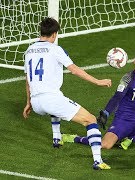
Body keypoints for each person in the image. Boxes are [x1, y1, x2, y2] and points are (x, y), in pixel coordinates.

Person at [22, 17, 112, 170]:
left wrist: (28, 102)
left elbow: (27, 80)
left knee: (57, 99)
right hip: (50, 99)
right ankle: (98, 161)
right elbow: (74, 70)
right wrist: (97, 81)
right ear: (54, 34)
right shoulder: (56, 49)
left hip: (36, 103)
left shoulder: (28, 51)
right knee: (90, 119)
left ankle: (57, 138)